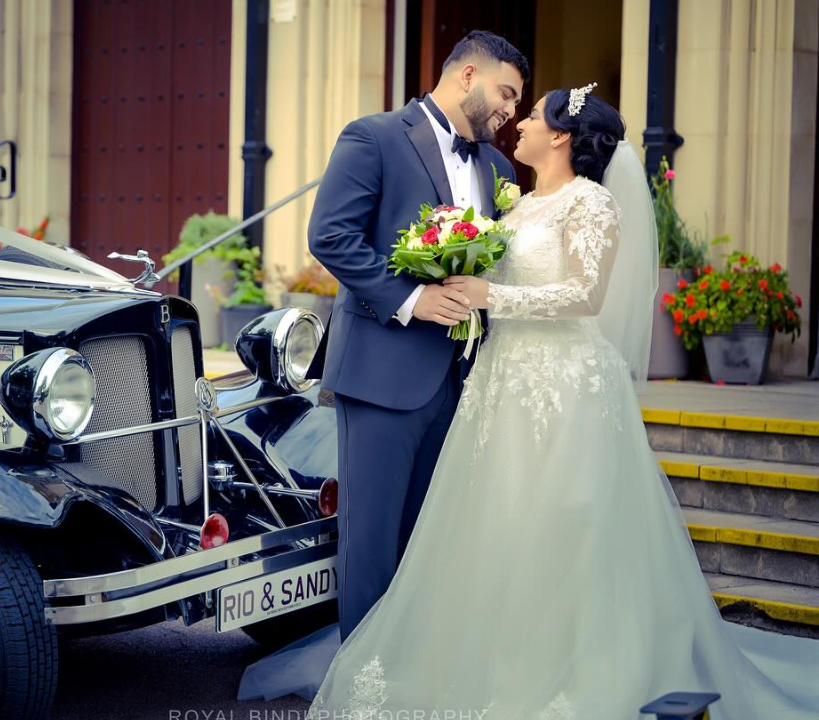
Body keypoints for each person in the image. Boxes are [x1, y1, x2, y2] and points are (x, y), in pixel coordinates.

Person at [239, 85, 819, 719]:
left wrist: (493, 297)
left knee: (558, 521)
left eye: (532, 114)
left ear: (562, 136)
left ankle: (563, 664)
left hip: (560, 385)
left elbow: (586, 297)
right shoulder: (515, 203)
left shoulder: (590, 203)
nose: (517, 123)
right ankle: (485, 655)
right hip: (498, 381)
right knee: (490, 523)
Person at [302, 29, 528, 643]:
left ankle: (408, 670)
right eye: (505, 94)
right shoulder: (373, 137)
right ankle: (360, 689)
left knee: (427, 543)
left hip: (457, 380)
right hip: (380, 375)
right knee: (370, 544)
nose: (510, 112)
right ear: (465, 76)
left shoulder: (498, 168)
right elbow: (330, 237)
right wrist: (412, 298)